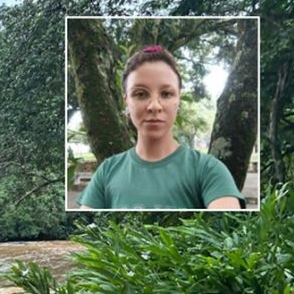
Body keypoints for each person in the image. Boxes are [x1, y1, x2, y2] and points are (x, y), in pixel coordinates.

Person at [77, 46, 243, 210]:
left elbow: (224, 228)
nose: (154, 106)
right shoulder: (107, 171)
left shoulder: (208, 170)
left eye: (166, 94)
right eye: (141, 94)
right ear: (126, 101)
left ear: (178, 99)